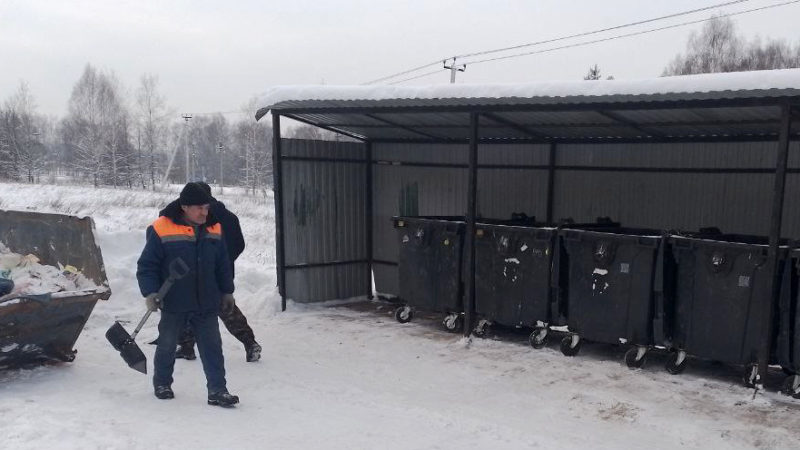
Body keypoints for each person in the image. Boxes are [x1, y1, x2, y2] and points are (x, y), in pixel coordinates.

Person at [136, 182, 240, 407]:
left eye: (206, 207)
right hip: (174, 300)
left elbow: (222, 264)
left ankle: (218, 390)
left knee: (212, 347)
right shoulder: (161, 228)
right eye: (199, 208)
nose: (205, 212)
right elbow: (147, 265)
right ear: (184, 207)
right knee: (167, 344)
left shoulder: (214, 227)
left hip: (207, 301)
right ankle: (162, 383)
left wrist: (227, 291)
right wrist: (151, 292)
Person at [165, 182, 262, 363]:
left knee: (186, 307)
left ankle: (186, 346)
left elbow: (167, 219)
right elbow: (238, 244)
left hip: (196, 272)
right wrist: (224, 261)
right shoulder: (229, 217)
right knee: (226, 309)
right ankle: (249, 342)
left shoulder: (194, 216)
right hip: (220, 273)